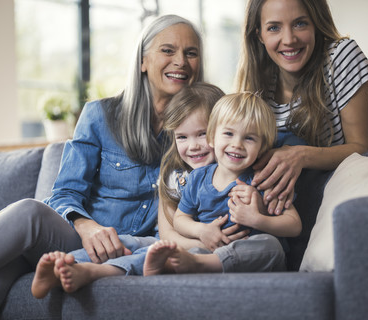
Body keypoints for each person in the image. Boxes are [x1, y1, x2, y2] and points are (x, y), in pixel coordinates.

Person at [0, 14, 204, 319]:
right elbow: (64, 193)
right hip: (76, 239)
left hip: (133, 251)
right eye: (168, 50)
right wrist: (88, 227)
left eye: (191, 53)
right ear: (142, 61)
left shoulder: (207, 130)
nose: (181, 62)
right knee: (28, 214)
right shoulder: (100, 116)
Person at [30, 82, 226, 294]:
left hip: (206, 251)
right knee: (133, 243)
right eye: (182, 137)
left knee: (154, 252)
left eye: (202, 134)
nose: (193, 145)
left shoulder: (231, 175)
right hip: (176, 243)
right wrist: (200, 234)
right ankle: (69, 264)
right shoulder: (174, 177)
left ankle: (87, 270)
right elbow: (167, 233)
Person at [234, 0, 368, 216]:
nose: (289, 40)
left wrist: (300, 156)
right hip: (304, 210)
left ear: (316, 23)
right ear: (259, 34)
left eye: (300, 24)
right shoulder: (259, 88)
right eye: (274, 27)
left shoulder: (341, 56)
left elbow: (364, 149)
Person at [143, 92, 302, 275]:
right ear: (212, 138)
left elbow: (294, 225)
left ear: (262, 147)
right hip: (208, 252)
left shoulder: (264, 179)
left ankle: (200, 264)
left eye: (249, 138)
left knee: (271, 246)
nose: (237, 144)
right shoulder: (198, 179)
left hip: (253, 261)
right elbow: (180, 220)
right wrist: (201, 230)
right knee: (193, 252)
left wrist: (258, 220)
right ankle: (195, 264)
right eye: (228, 133)